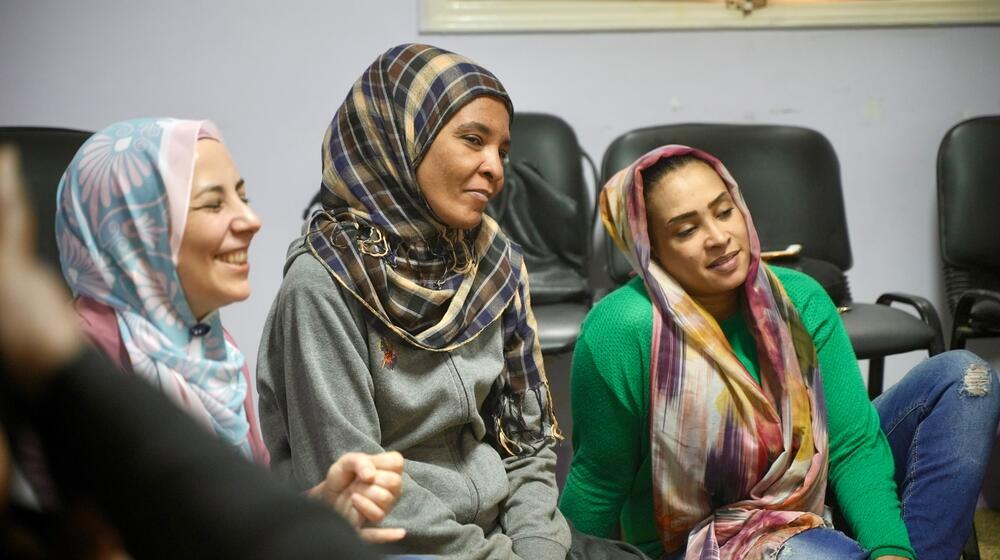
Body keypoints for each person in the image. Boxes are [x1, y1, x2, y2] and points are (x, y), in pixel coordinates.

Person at [257, 43, 646, 560]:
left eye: (502, 151)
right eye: (472, 140)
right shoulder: (323, 283)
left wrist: (536, 546)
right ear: (399, 139)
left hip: (505, 535)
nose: (495, 168)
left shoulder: (490, 258)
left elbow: (525, 441)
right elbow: (359, 487)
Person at [559, 145, 1000, 560]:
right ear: (647, 249)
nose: (719, 237)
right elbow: (599, 479)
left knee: (963, 378)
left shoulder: (798, 299)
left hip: (814, 496)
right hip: (712, 539)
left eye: (724, 211)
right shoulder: (622, 328)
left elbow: (849, 444)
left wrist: (891, 550)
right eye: (687, 229)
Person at [0, 145, 390, 560]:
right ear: (138, 228)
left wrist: (320, 507)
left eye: (243, 197)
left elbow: (224, 512)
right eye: (213, 203)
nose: (251, 220)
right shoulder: (76, 355)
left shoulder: (215, 349)